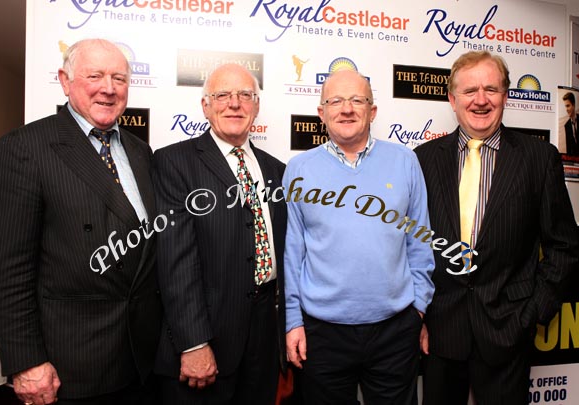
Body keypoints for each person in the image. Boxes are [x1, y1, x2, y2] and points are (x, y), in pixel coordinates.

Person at [0, 39, 161, 405]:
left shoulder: (141, 152)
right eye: (94, 75)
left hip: (141, 362)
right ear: (65, 81)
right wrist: (27, 362)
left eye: (119, 78)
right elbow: (7, 270)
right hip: (70, 368)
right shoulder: (26, 148)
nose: (108, 88)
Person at [414, 51, 579, 404]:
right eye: (470, 90)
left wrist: (531, 314)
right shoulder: (422, 159)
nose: (481, 99)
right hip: (441, 334)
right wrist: (420, 316)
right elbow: (409, 246)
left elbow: (564, 246)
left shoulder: (538, 159)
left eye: (492, 88)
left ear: (506, 96)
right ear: (452, 99)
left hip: (509, 331)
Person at [283, 68, 435, 404]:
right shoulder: (299, 169)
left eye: (357, 100)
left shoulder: (405, 162)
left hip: (395, 331)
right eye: (335, 101)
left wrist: (418, 311)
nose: (346, 109)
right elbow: (293, 252)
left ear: (373, 111)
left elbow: (420, 242)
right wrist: (293, 321)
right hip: (322, 334)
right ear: (321, 113)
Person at [153, 63, 287, 405]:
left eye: (245, 95)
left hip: (264, 336)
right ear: (206, 106)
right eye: (222, 95)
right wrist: (194, 342)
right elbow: (175, 262)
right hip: (208, 334)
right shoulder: (174, 162)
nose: (234, 103)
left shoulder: (276, 170)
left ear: (256, 105)